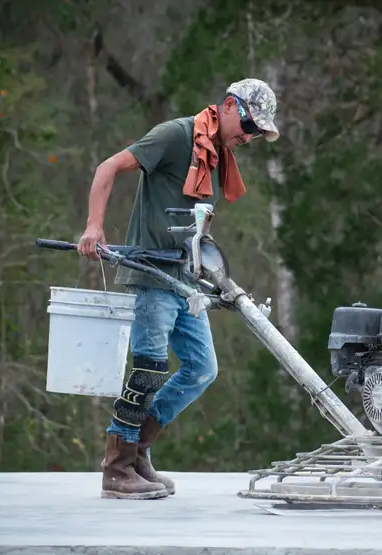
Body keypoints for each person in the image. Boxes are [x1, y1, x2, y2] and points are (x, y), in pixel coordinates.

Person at [77, 78, 280, 500]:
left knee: (202, 368)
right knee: (149, 368)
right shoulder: (176, 136)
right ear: (228, 106)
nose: (249, 136)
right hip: (152, 273)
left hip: (185, 279)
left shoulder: (216, 154)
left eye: (257, 132)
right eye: (248, 124)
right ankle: (116, 468)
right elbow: (108, 167)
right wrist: (95, 225)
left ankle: (138, 452)